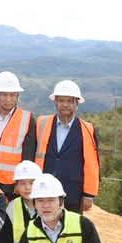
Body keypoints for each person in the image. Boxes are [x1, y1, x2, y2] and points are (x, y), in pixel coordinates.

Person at [34, 80, 100, 213]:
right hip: (44, 192)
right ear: (55, 102)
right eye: (61, 100)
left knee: (71, 226)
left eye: (70, 101)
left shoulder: (87, 129)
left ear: (77, 103)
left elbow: (92, 163)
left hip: (73, 194)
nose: (65, 104)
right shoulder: (42, 123)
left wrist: (89, 194)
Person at [0, 71, 37, 198]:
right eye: (4, 95)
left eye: (12, 95)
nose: (8, 99)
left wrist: (21, 182)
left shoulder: (27, 119)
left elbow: (28, 155)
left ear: (17, 95)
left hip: (11, 183)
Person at [0, 160, 43, 243]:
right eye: (22, 183)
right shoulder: (12, 207)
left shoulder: (50, 205)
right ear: (16, 186)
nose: (27, 187)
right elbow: (5, 241)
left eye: (31, 183)